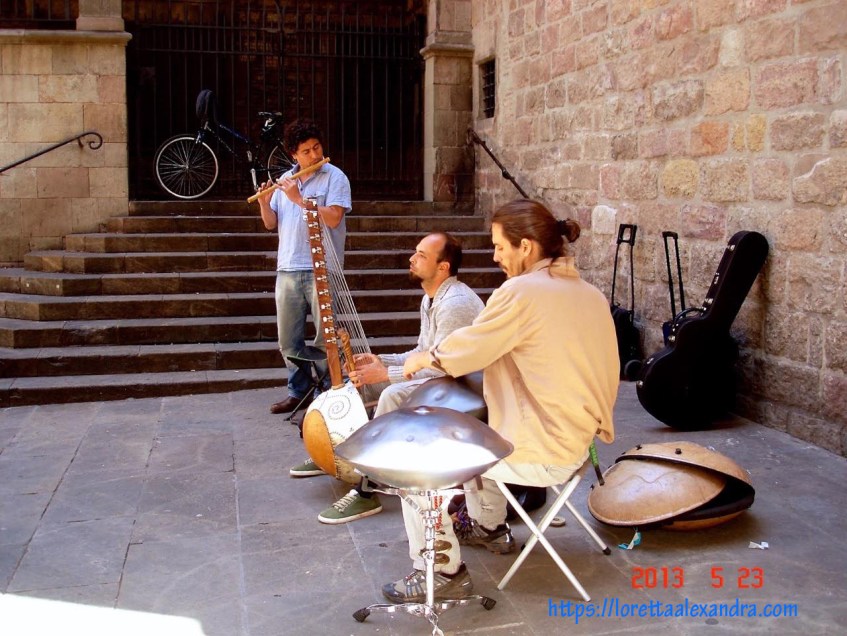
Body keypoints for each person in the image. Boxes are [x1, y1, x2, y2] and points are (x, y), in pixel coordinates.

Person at [380, 199, 620, 604]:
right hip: (581, 445)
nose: (494, 256)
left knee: (417, 460)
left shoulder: (522, 291)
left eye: (499, 246)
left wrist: (423, 359)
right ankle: (489, 526)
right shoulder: (589, 293)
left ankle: (440, 572)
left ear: (526, 247)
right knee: (477, 430)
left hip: (544, 450)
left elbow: (469, 348)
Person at [290, 232, 486, 525]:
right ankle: (338, 454)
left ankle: (368, 487)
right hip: (445, 381)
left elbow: (446, 365)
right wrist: (382, 362)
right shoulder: (432, 297)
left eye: (421, 255)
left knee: (391, 394)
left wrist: (388, 374)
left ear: (443, 267)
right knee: (366, 380)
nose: (412, 258)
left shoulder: (455, 303)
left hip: (466, 388)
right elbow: (423, 351)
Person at [256, 119, 351, 415]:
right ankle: (299, 391)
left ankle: (328, 394)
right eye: (306, 151)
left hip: (322, 269)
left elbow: (334, 218)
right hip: (288, 268)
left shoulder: (335, 177)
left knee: (326, 338)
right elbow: (271, 223)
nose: (314, 155)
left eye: (316, 148)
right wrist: (266, 201)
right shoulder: (286, 179)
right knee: (288, 340)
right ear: (293, 155)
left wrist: (299, 200)